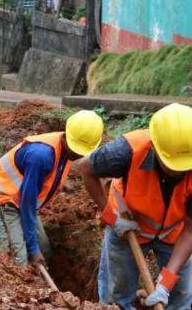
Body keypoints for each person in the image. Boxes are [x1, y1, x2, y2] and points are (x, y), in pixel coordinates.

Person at [79, 103, 192, 309]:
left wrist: (165, 283)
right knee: (117, 296)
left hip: (174, 235)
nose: (178, 172)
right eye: (171, 164)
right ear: (155, 146)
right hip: (127, 224)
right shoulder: (126, 151)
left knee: (182, 297)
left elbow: (191, 231)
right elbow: (85, 167)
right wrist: (113, 217)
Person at [0, 110, 104, 266]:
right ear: (67, 136)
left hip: (17, 203)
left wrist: (36, 249)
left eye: (81, 152)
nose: (77, 155)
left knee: (45, 252)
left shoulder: (65, 151)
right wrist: (32, 248)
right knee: (18, 260)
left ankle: (37, 288)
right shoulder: (41, 156)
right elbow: (27, 203)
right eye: (75, 150)